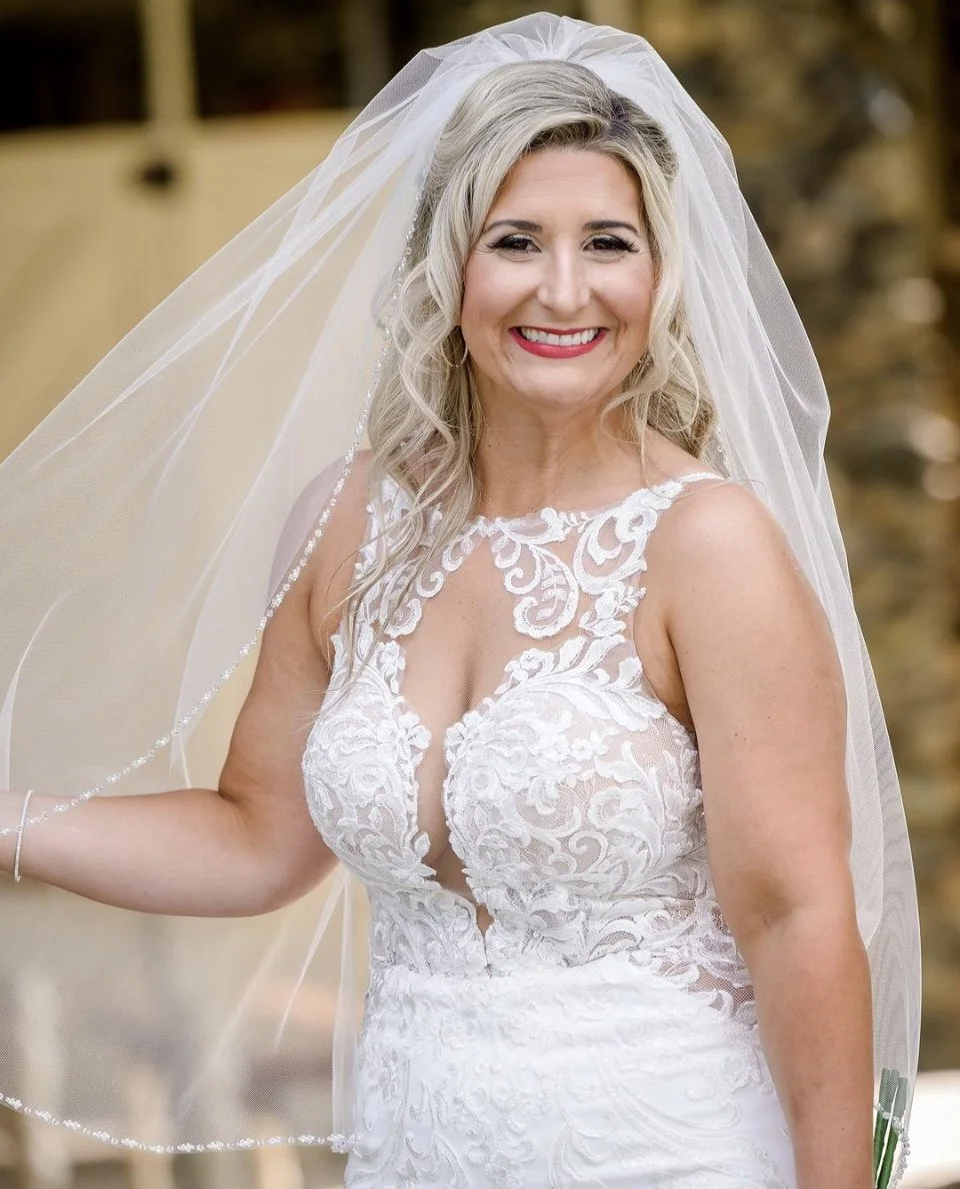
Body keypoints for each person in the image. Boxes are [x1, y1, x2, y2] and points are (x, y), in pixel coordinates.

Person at [0, 13, 919, 1189]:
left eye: (609, 243)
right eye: (518, 241)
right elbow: (254, 837)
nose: (566, 290)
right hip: (415, 1151)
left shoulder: (708, 546)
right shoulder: (348, 522)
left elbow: (797, 918)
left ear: (661, 270)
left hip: (666, 1150)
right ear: (448, 263)